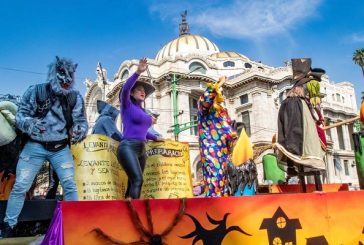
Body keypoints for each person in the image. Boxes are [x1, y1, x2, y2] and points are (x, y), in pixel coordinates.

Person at [1, 56, 88, 237]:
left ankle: (75, 224)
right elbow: (21, 115)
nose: (66, 80)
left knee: (70, 186)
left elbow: (81, 121)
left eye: (70, 75)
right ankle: (8, 226)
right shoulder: (36, 91)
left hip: (61, 149)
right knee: (20, 186)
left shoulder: (75, 97)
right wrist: (30, 124)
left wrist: (80, 130)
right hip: (35, 146)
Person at [117, 58, 162, 199]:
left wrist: (156, 138)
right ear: (132, 93)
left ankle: (126, 209)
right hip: (128, 147)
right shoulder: (127, 106)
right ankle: (135, 213)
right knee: (138, 180)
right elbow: (125, 90)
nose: (142, 92)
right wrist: (138, 72)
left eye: (144, 91)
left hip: (141, 149)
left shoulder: (144, 112)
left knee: (133, 183)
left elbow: (143, 131)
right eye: (139, 90)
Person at [197, 76, 238, 197]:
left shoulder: (222, 112)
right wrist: (216, 85)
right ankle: (214, 206)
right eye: (220, 92)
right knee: (215, 178)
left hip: (224, 150)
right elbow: (205, 100)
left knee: (225, 180)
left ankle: (223, 206)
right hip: (212, 149)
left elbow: (227, 130)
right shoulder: (206, 108)